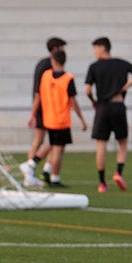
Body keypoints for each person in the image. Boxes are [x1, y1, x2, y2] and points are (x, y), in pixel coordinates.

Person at [85, 37, 132, 193]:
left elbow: (88, 90)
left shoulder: (94, 67)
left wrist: (93, 101)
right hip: (118, 105)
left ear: (103, 48)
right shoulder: (121, 63)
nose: (94, 52)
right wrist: (127, 86)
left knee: (101, 144)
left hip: (102, 107)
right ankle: (118, 172)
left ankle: (102, 183)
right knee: (122, 142)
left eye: (96, 48)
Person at [27, 49, 86, 188]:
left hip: (48, 118)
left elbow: (38, 96)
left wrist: (33, 114)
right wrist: (81, 119)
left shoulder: (46, 76)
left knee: (53, 144)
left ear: (53, 61)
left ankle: (40, 168)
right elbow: (73, 101)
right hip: (61, 119)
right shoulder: (68, 78)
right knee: (58, 149)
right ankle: (51, 176)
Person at [20, 36, 67, 188]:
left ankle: (41, 171)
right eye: (61, 47)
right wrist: (34, 113)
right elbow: (39, 92)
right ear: (55, 49)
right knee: (48, 141)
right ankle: (31, 170)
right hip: (46, 109)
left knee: (45, 141)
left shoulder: (42, 63)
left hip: (45, 108)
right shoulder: (48, 66)